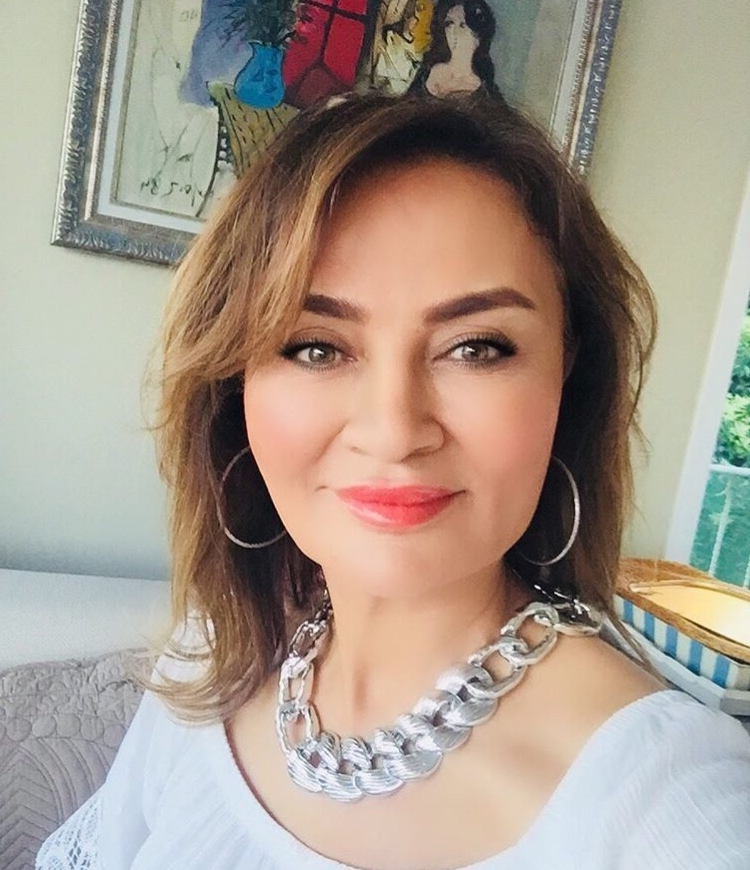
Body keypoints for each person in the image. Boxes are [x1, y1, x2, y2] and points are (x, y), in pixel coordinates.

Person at [37, 93, 750, 869]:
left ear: (566, 379)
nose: (394, 429)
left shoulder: (668, 798)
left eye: (476, 347)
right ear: (233, 384)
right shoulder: (212, 653)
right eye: (315, 347)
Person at [409, 0, 503, 98]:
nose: (453, 32)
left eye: (462, 25)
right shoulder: (427, 74)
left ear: (478, 38)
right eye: (449, 24)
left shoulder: (484, 90)